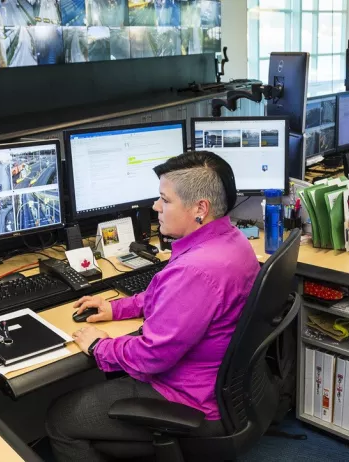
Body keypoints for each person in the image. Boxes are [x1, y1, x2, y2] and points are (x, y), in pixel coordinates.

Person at [45, 151, 259, 461]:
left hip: (190, 401)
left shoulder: (196, 270)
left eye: (165, 200)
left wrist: (99, 347)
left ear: (200, 208)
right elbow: (172, 296)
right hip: (224, 389)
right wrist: (117, 309)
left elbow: (152, 356)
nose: (156, 207)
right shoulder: (231, 241)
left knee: (61, 417)